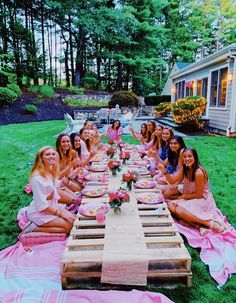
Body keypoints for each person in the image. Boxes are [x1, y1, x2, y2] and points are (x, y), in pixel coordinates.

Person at [158, 147, 227, 233]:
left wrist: (183, 197)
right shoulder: (186, 168)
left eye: (190, 156)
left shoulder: (198, 173)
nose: (187, 159)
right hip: (191, 197)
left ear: (195, 157)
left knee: (179, 210)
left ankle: (209, 224)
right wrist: (164, 171)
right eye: (185, 157)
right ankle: (198, 226)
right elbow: (173, 181)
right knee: (170, 206)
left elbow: (199, 195)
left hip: (202, 199)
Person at [19, 146, 76, 235]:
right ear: (41, 158)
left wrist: (71, 175)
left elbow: (57, 185)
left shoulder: (49, 169)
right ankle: (34, 228)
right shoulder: (37, 178)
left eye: (53, 154)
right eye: (48, 154)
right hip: (39, 212)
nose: (52, 156)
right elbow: (42, 205)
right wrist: (60, 214)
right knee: (69, 226)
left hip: (51, 206)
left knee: (73, 219)